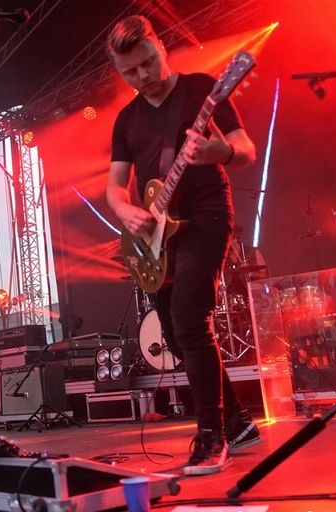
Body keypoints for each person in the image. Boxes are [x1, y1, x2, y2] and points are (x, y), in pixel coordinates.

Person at [106, 15, 261, 476]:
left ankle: (211, 436)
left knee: (191, 319)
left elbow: (246, 149)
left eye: (148, 62)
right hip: (158, 234)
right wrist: (125, 211)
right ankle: (237, 421)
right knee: (175, 333)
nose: (143, 76)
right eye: (130, 72)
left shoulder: (202, 90)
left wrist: (220, 152)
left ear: (160, 46)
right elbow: (115, 187)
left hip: (206, 214)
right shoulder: (126, 120)